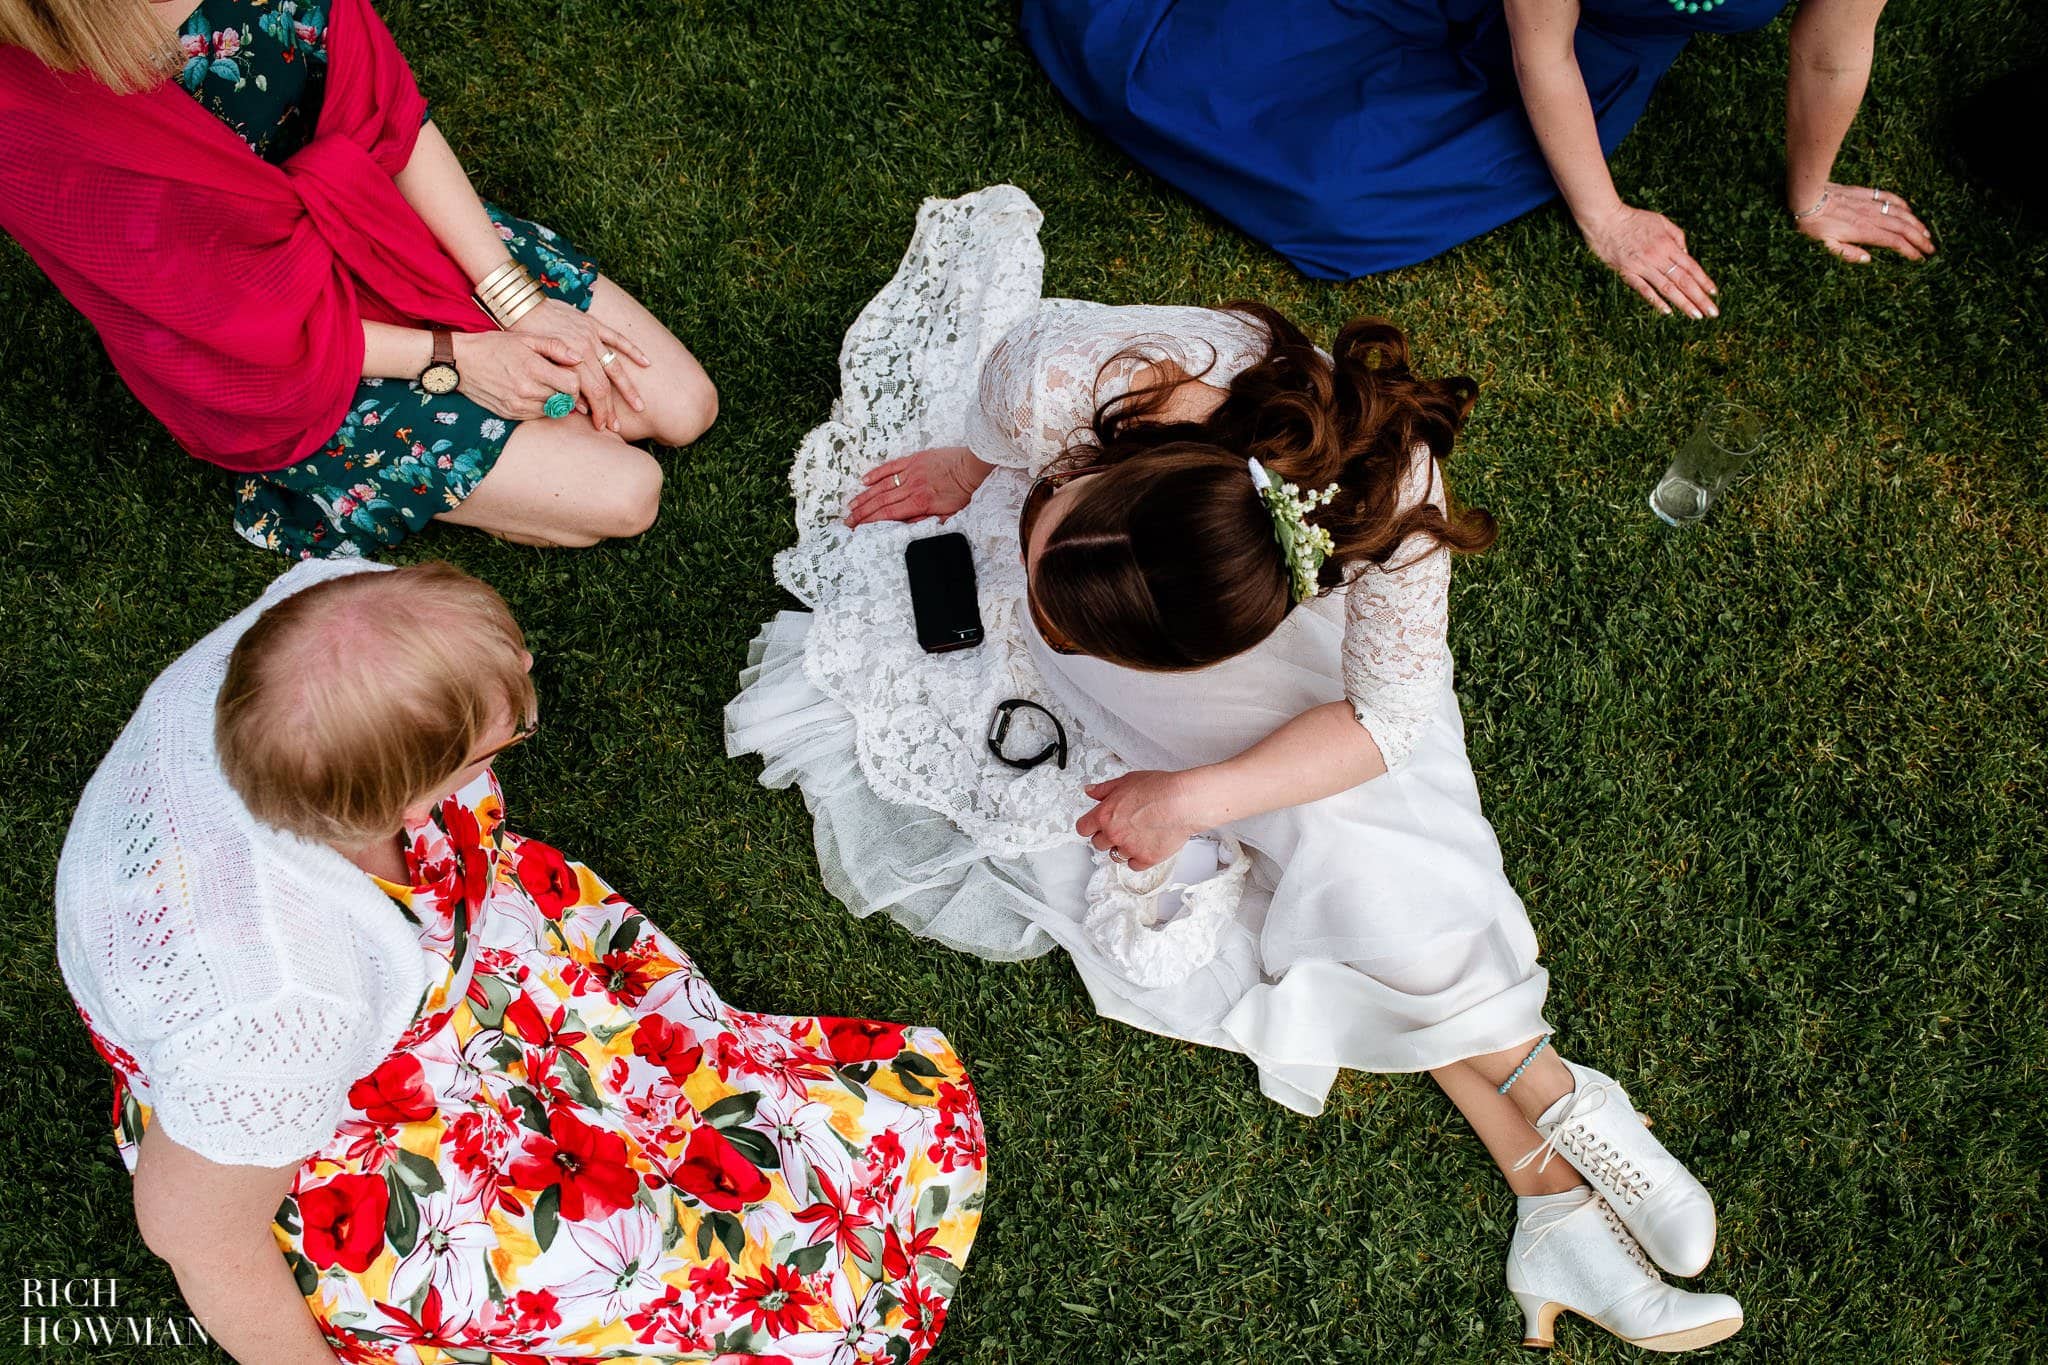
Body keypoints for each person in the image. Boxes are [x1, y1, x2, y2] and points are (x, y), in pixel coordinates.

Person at [729, 186, 1737, 1351]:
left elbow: (1384, 716)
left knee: (1352, 819)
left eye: (1061, 605)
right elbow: (1010, 463)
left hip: (1248, 627)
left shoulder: (1389, 494)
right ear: (1112, 464)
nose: (1041, 617)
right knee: (1340, 834)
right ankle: (1553, 1122)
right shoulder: (1058, 385)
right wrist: (977, 468)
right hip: (1155, 569)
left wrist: (1192, 795)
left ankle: (1552, 1178)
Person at [57, 559, 984, 1364]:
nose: (528, 687)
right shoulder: (276, 1008)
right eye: (500, 740)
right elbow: (193, 1229)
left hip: (401, 983)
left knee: (654, 1079)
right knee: (622, 1248)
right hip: (328, 1114)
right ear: (404, 804)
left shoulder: (324, 635)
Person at [0, 0, 716, 557]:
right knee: (628, 493)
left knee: (685, 408)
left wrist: (515, 299)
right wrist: (458, 358)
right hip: (274, 350)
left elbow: (391, 118)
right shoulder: (23, 104)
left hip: (378, 223)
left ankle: (501, 461)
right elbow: (209, 313)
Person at [1020, 0, 1935, 315]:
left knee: (1338, 199)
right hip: (1524, 34)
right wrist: (1608, 220)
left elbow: (1830, 50)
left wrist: (1812, 195)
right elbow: (1541, 50)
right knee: (1158, 52)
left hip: (1600, 53)